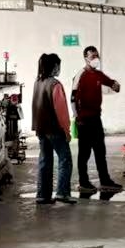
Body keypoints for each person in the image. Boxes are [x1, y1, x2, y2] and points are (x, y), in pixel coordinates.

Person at [72, 45, 123, 196]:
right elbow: (73, 99)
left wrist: (115, 85)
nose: (96, 59)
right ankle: (83, 181)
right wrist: (77, 117)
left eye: (97, 56)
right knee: (84, 153)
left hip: (96, 118)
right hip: (84, 120)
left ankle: (105, 180)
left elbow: (111, 83)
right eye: (93, 56)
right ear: (86, 58)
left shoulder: (98, 75)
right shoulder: (80, 75)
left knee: (100, 151)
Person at [31, 52, 75, 206]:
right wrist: (67, 131)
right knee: (65, 160)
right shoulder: (55, 84)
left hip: (41, 129)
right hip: (55, 129)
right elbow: (61, 111)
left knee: (45, 160)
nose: (59, 69)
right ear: (55, 66)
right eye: (59, 66)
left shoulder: (38, 82)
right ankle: (62, 193)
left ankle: (42, 195)